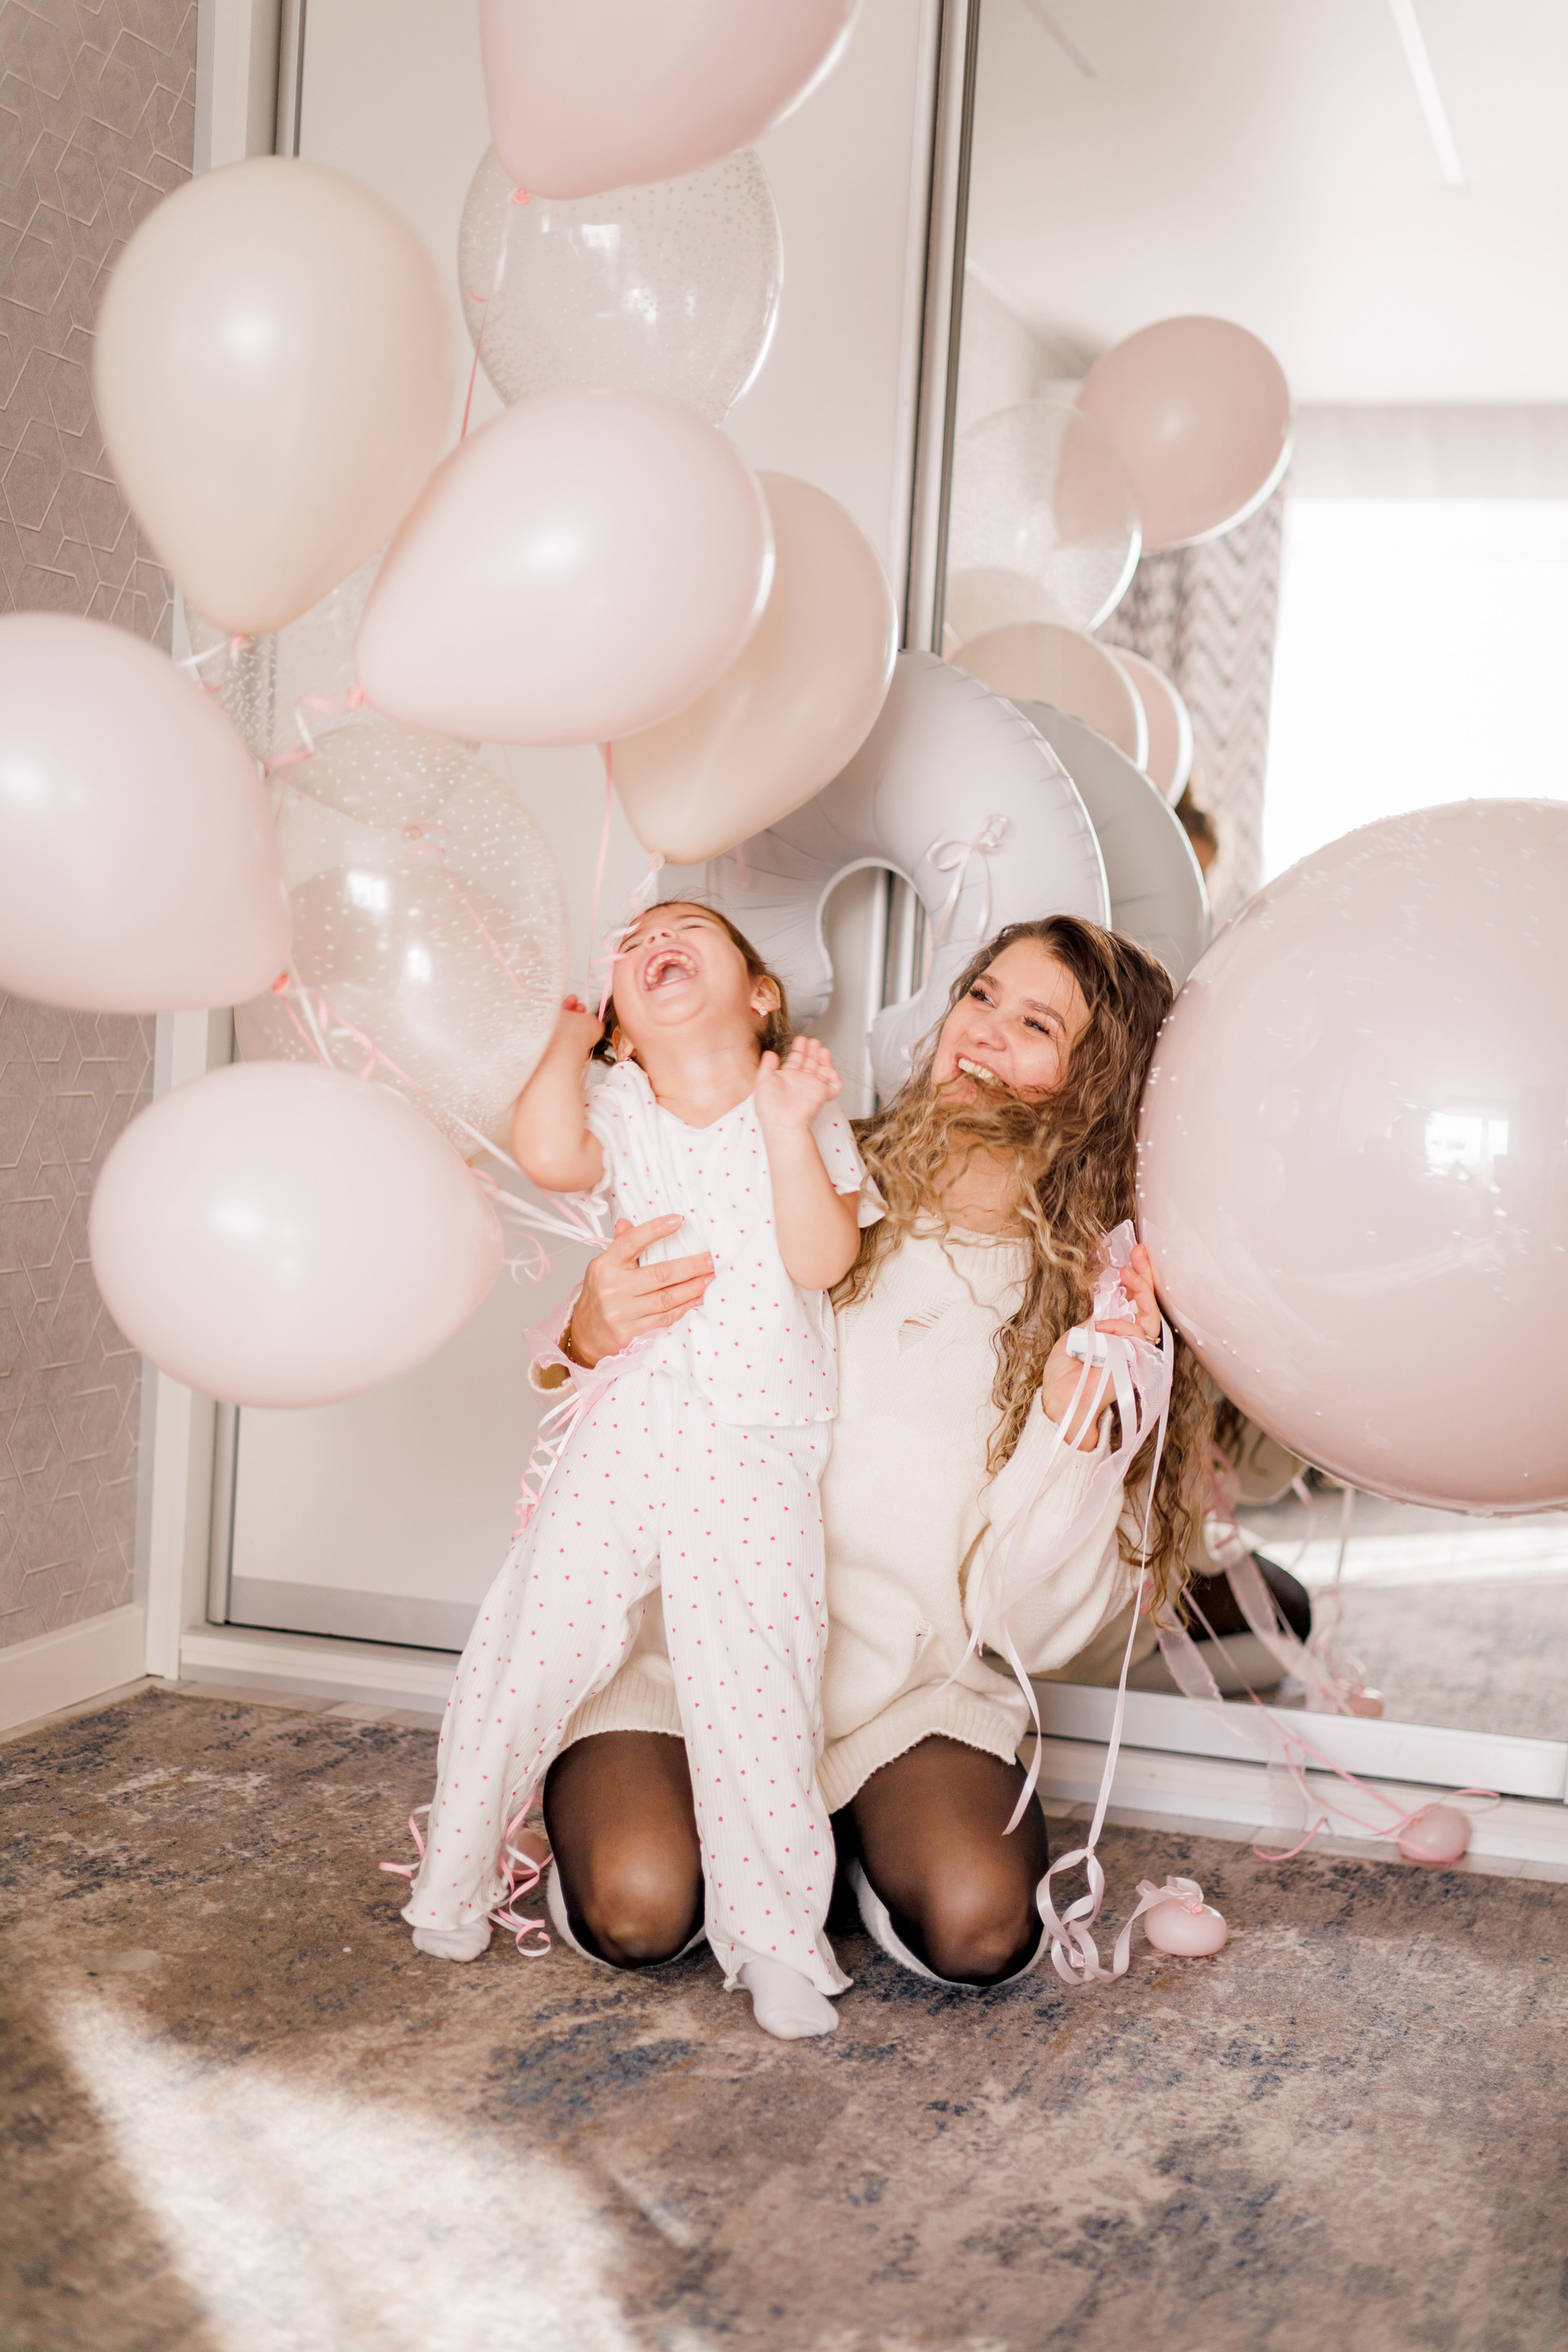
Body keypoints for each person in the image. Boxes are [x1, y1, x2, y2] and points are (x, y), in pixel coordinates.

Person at [537, 915, 1212, 1993]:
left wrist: (1073, 1432)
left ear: (1103, 1083)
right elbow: (600, 1410)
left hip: (898, 1699)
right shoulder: (801, 1157)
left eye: (1035, 1025)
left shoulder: (1098, 1306)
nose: (982, 1031)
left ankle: (837, 1828)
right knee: (639, 1905)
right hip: (694, 1655)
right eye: (981, 996)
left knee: (982, 1927)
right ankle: (723, 1828)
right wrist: (586, 1331)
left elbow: (1029, 1629)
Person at [400, 902, 875, 2041]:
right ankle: (453, 1877)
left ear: (760, 995)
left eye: (689, 926)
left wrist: (788, 1128)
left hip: (759, 1432)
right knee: (535, 1634)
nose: (658, 935)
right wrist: (571, 1034)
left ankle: (775, 1940)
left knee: (757, 1681)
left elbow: (821, 1259)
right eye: (637, 939)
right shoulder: (617, 1100)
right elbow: (548, 1153)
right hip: (635, 1416)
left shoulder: (800, 1107)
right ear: (622, 1024)